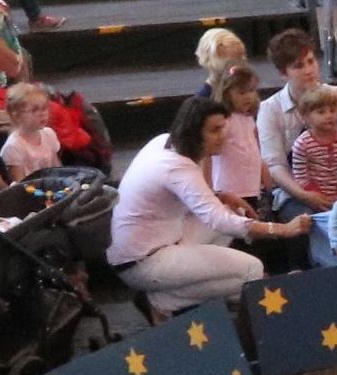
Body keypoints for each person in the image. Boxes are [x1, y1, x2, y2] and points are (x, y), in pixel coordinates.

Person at [112, 95, 309, 310]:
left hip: (158, 241)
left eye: (223, 127)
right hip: (143, 262)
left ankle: (171, 294)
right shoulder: (177, 168)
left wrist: (221, 195)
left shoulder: (164, 142)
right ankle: (162, 301)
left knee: (232, 211)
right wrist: (283, 229)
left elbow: (201, 202)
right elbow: (218, 219)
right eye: (215, 130)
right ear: (194, 134)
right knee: (252, 269)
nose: (223, 135)